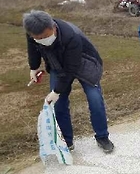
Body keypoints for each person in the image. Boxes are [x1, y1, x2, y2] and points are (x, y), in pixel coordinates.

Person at [24, 10, 114, 153]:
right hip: (56, 64)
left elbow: (71, 68)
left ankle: (102, 137)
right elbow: (33, 50)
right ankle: (67, 141)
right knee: (58, 104)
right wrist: (33, 68)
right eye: (38, 38)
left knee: (95, 99)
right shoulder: (33, 33)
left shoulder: (71, 36)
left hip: (84, 62)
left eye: (45, 36)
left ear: (53, 27)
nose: (42, 40)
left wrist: (56, 91)